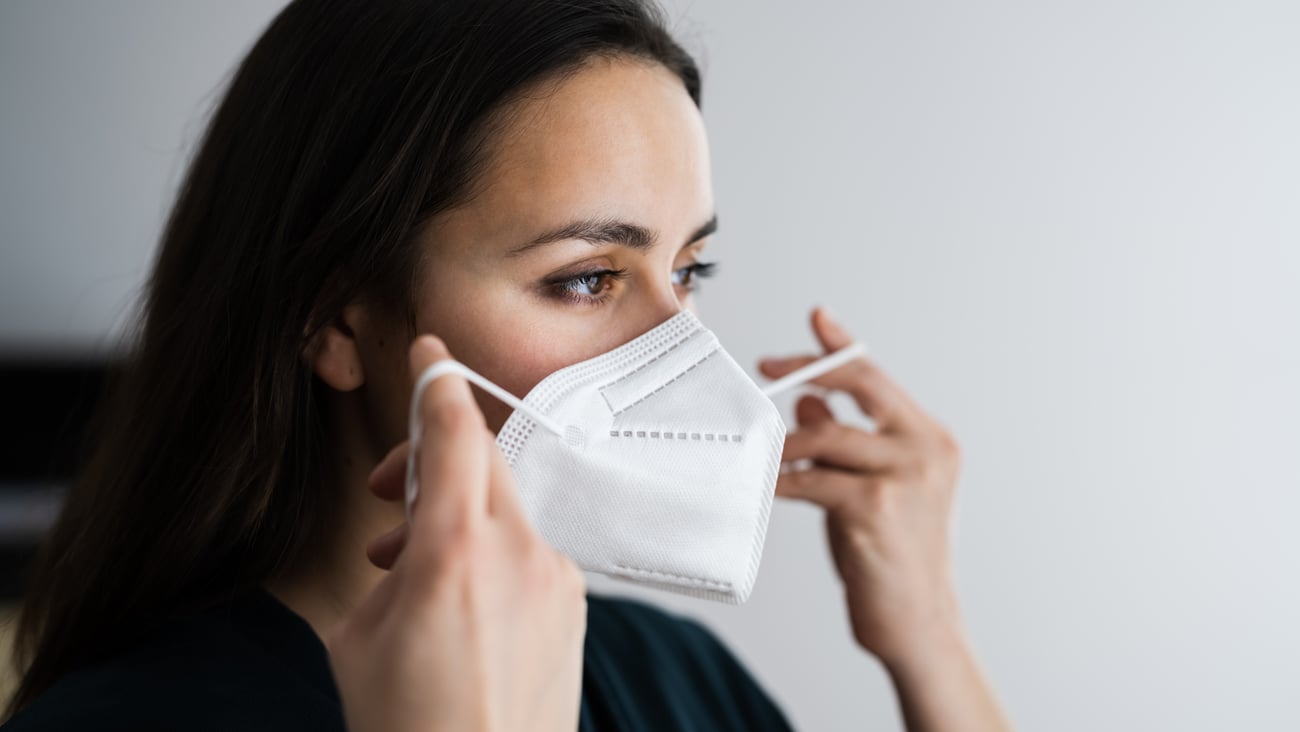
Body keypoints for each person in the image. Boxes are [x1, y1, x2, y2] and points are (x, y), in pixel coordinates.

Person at [3, 0, 1013, 730]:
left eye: (688, 267)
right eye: (585, 278)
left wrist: (927, 637)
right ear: (338, 325)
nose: (682, 346)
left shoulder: (672, 676)